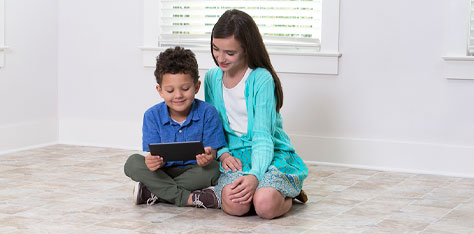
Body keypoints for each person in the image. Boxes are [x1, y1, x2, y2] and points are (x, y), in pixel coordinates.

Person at [204, 9, 309, 219]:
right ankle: (266, 191)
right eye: (216, 49)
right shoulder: (211, 78)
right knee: (235, 206)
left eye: (230, 53)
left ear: (246, 49)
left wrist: (255, 175)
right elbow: (212, 127)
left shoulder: (261, 79)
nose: (220, 58)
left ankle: (288, 193)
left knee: (265, 206)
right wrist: (223, 153)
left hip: (268, 152)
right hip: (235, 157)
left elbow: (263, 136)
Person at [124, 46, 226, 209]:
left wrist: (208, 156)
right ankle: (188, 198)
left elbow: (212, 153)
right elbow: (151, 155)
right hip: (164, 172)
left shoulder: (208, 113)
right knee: (133, 163)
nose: (178, 95)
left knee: (215, 169)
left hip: (195, 171)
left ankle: (154, 193)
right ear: (160, 90)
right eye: (170, 90)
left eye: (185, 89)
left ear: (197, 87)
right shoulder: (152, 116)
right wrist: (152, 162)